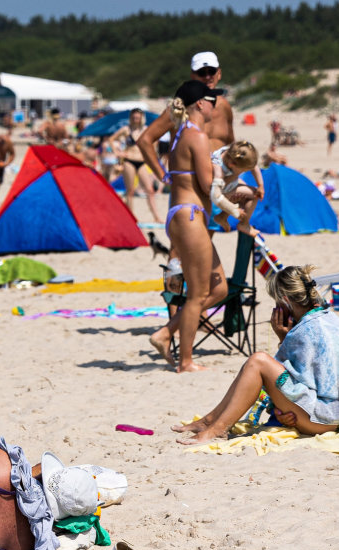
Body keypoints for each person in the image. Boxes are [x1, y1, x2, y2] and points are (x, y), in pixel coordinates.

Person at [174, 265, 339, 444]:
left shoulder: (305, 330)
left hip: (326, 419)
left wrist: (282, 338)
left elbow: (293, 382)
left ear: (286, 301)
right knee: (258, 362)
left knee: (258, 361)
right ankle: (209, 421)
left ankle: (217, 429)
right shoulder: (330, 318)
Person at [148, 81, 228, 373]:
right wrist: (222, 176)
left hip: (180, 214)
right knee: (197, 293)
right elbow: (208, 187)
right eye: (212, 101)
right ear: (199, 104)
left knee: (219, 288)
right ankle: (186, 362)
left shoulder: (180, 133)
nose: (215, 106)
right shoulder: (197, 136)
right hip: (191, 215)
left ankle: (166, 332)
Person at [138, 51, 235, 179]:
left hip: (220, 184)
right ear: (192, 76)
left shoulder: (224, 106)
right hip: (189, 187)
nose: (207, 77)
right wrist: (162, 175)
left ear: (219, 74)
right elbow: (144, 140)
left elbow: (230, 144)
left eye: (211, 71)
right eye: (201, 73)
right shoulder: (180, 108)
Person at [111, 108, 161, 222]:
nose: (135, 119)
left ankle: (156, 216)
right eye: (134, 117)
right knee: (130, 191)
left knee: (150, 190)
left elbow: (154, 141)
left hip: (142, 161)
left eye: (137, 117)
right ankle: (130, 218)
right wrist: (117, 152)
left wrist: (151, 152)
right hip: (129, 160)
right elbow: (111, 139)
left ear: (141, 118)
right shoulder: (126, 129)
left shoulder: (146, 129)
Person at [209, 140, 263, 237]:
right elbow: (218, 192)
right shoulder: (218, 168)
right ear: (232, 165)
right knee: (255, 195)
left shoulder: (234, 153)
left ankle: (222, 217)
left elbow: (253, 166)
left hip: (230, 185)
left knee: (249, 189)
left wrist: (261, 185)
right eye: (244, 170)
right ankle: (244, 224)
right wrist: (233, 210)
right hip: (222, 191)